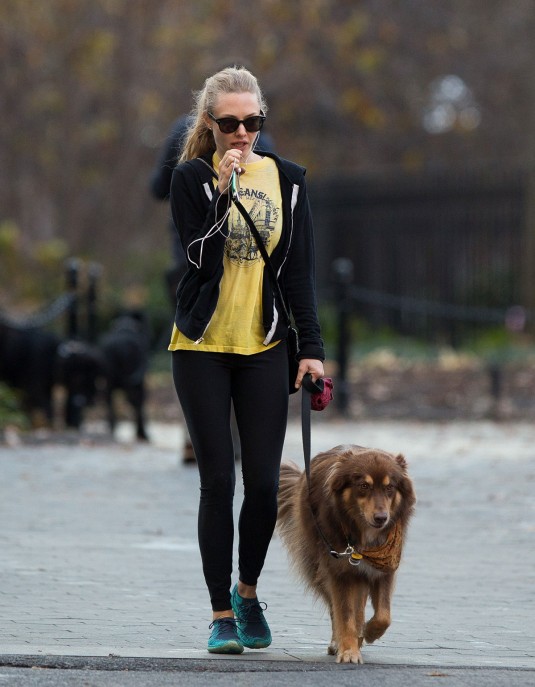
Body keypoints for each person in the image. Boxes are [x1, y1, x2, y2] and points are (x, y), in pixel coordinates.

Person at [168, 66, 325, 654]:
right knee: (217, 481)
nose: (241, 134)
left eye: (251, 122)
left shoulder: (288, 181)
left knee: (261, 485)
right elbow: (198, 259)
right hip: (202, 348)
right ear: (209, 123)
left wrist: (311, 350)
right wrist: (221, 190)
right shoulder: (190, 179)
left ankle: (248, 591)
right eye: (229, 123)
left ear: (262, 120)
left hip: (265, 347)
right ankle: (219, 616)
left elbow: (300, 274)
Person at [150, 110, 275, 463]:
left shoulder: (180, 131)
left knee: (196, 341)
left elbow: (157, 188)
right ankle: (234, 438)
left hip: (188, 260)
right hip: (247, 261)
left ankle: (196, 437)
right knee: (241, 341)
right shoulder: (257, 135)